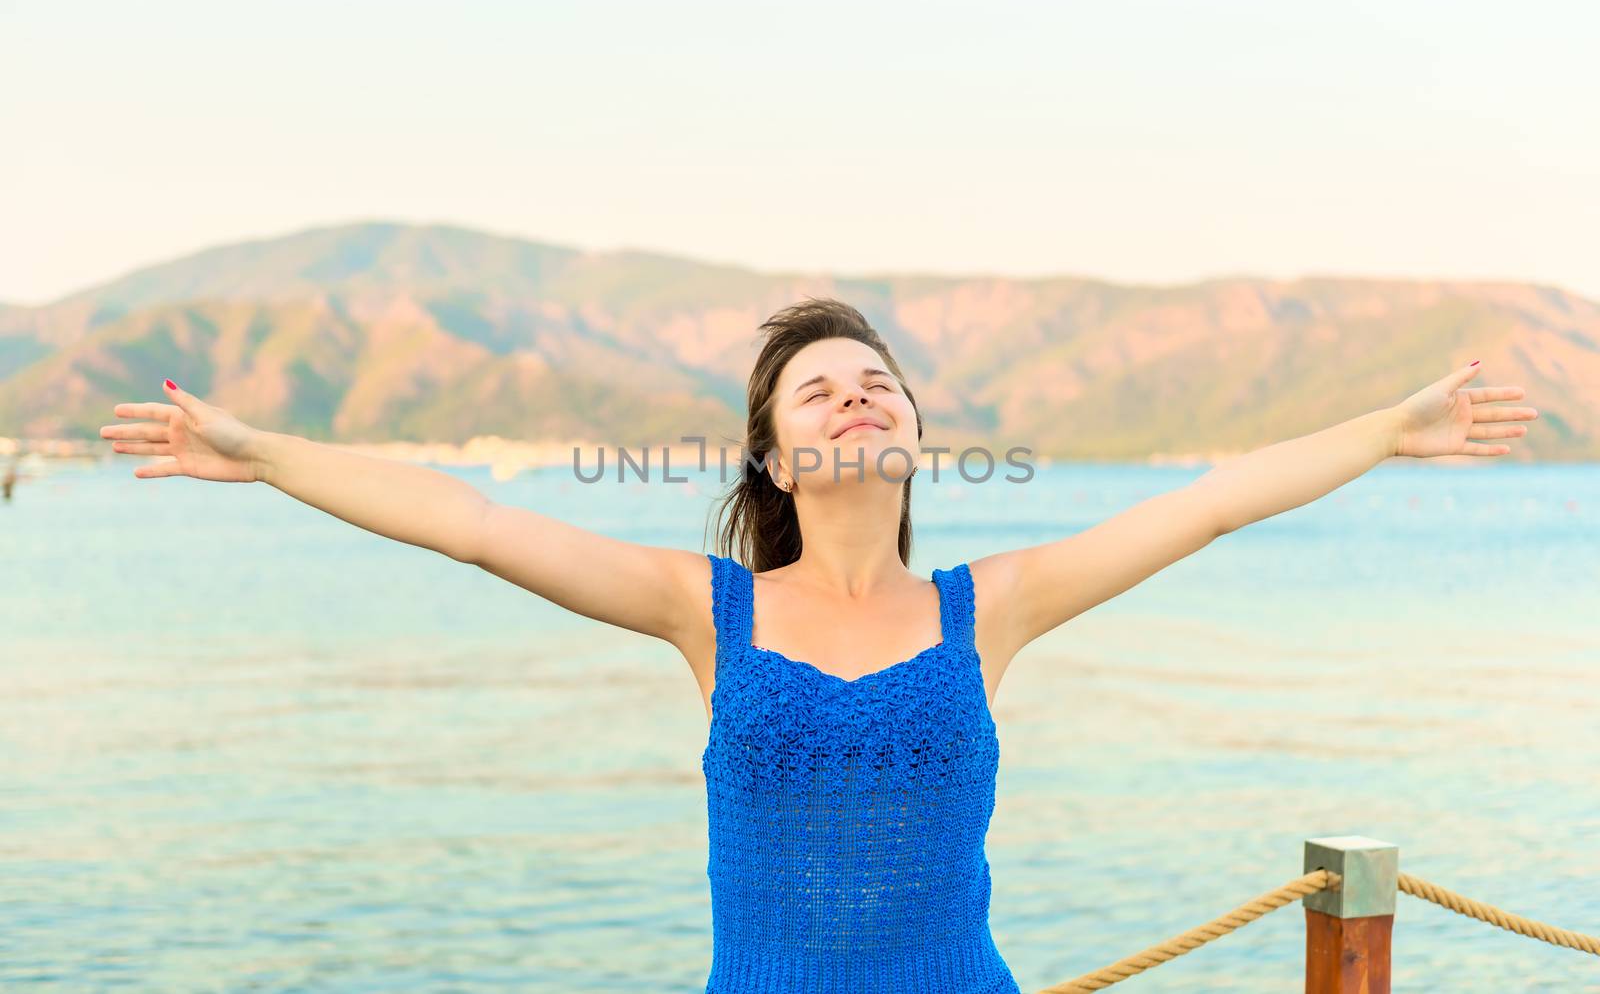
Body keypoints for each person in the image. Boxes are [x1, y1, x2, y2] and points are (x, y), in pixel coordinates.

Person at [100, 296, 1536, 992]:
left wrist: (1391, 434)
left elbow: (1213, 501)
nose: (855, 400)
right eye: (817, 393)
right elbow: (468, 522)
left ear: (916, 436)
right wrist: (262, 451)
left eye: (878, 385)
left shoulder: (995, 610)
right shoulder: (703, 613)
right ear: (775, 462)